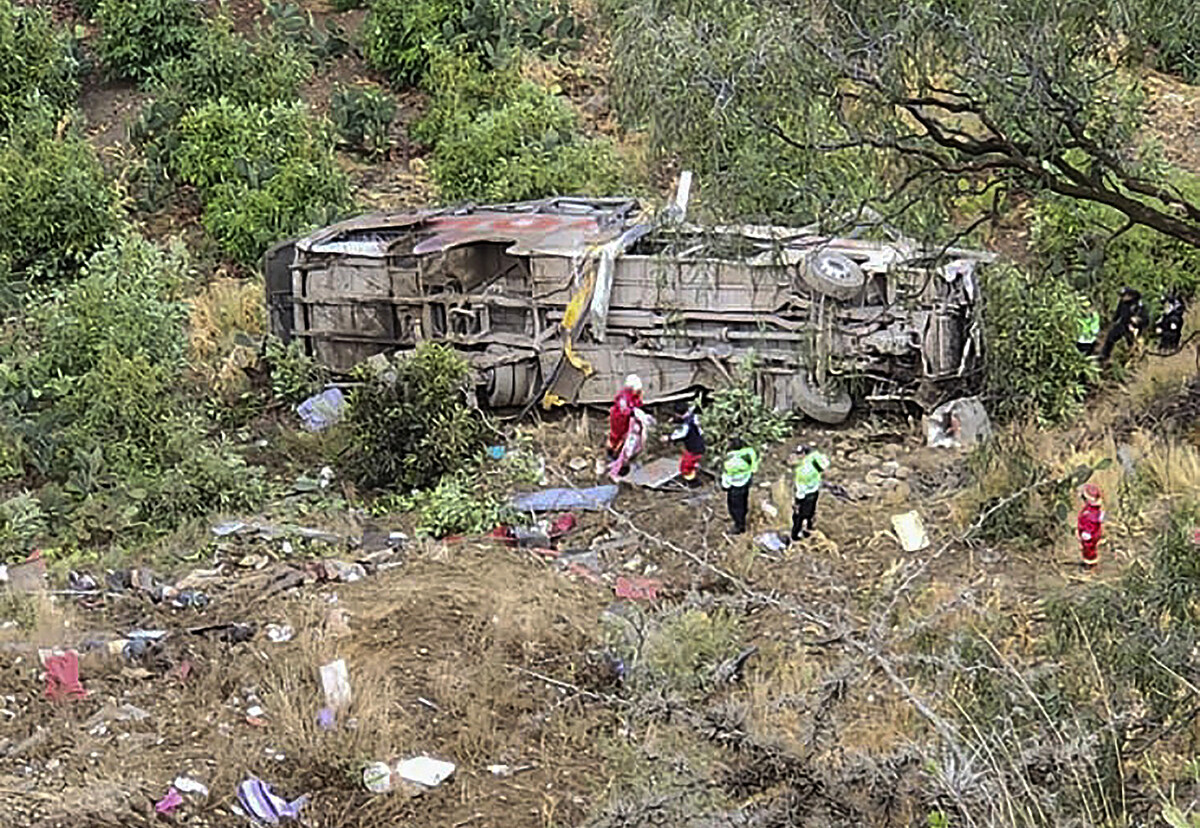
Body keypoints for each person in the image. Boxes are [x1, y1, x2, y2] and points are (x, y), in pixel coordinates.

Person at [790, 444, 831, 541]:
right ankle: (809, 530)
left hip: (805, 494)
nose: (797, 456)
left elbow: (800, 488)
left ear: (803, 454)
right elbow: (825, 463)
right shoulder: (813, 459)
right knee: (810, 514)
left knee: (798, 516)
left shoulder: (801, 470)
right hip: (814, 491)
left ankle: (795, 536)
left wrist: (797, 501)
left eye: (799, 454)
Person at [720, 437, 759, 535]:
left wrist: (725, 486)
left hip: (735, 486)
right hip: (746, 481)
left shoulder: (729, 461)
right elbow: (754, 468)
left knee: (734, 506)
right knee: (743, 501)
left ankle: (739, 525)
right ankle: (743, 517)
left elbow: (727, 476)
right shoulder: (749, 452)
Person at [1100, 287, 1149, 361]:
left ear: (1130, 296)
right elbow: (1118, 313)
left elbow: (1145, 320)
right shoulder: (1122, 303)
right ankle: (1105, 355)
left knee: (1131, 343)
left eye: (1124, 295)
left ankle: (1133, 358)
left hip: (1134, 328)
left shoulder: (1138, 305)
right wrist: (1112, 321)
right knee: (1111, 336)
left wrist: (1137, 320)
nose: (1122, 297)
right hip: (1123, 324)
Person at [664, 400, 704, 486]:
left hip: (694, 449)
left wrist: (668, 438)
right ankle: (694, 472)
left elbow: (681, 434)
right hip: (698, 445)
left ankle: (693, 482)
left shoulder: (686, 426)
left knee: (686, 467)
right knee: (688, 463)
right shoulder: (693, 416)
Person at [609, 407, 653, 481]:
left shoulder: (628, 455)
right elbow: (633, 441)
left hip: (634, 430)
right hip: (634, 431)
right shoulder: (629, 454)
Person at [608, 375, 643, 460]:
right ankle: (613, 452)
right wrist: (632, 410)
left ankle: (619, 451)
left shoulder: (633, 395)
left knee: (626, 435)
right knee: (617, 436)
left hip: (626, 419)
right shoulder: (623, 397)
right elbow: (624, 410)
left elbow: (638, 403)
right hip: (619, 419)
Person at [1076, 483, 1104, 568]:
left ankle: (1090, 564)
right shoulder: (1093, 510)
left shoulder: (1090, 512)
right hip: (1092, 533)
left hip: (1089, 534)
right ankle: (1090, 561)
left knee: (1089, 549)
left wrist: (1086, 533)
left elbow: (1091, 523)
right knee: (1088, 548)